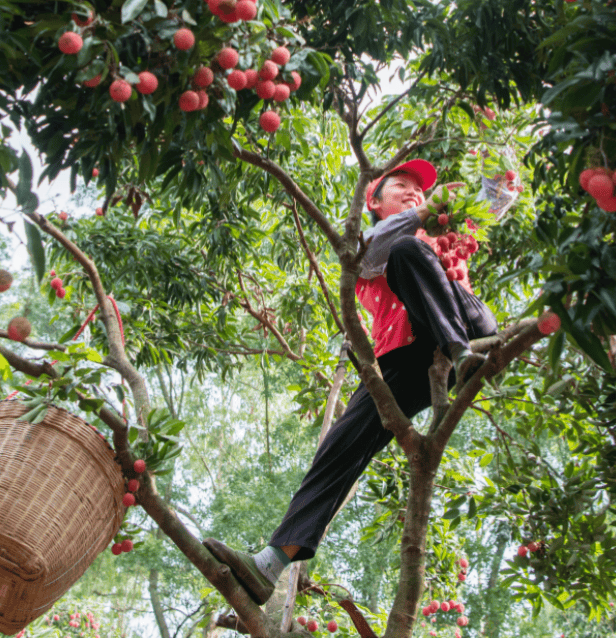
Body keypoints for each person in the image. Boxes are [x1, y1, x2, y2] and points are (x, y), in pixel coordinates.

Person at [203, 158, 516, 606]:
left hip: (467, 329)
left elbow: (493, 200)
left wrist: (499, 171)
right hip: (404, 357)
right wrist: (422, 215)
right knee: (341, 444)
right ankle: (270, 563)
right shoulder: (371, 243)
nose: (414, 194)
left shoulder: (432, 238)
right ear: (374, 200)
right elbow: (369, 251)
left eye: (421, 191)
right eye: (402, 187)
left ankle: (462, 356)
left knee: (414, 251)